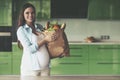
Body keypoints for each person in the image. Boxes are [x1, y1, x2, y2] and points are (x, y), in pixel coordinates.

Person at [16, 3, 56, 76]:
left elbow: (47, 45)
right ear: (23, 15)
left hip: (46, 68)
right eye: (27, 13)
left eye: (32, 13)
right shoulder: (21, 30)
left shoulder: (39, 26)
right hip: (31, 70)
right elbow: (29, 49)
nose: (30, 15)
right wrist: (45, 40)